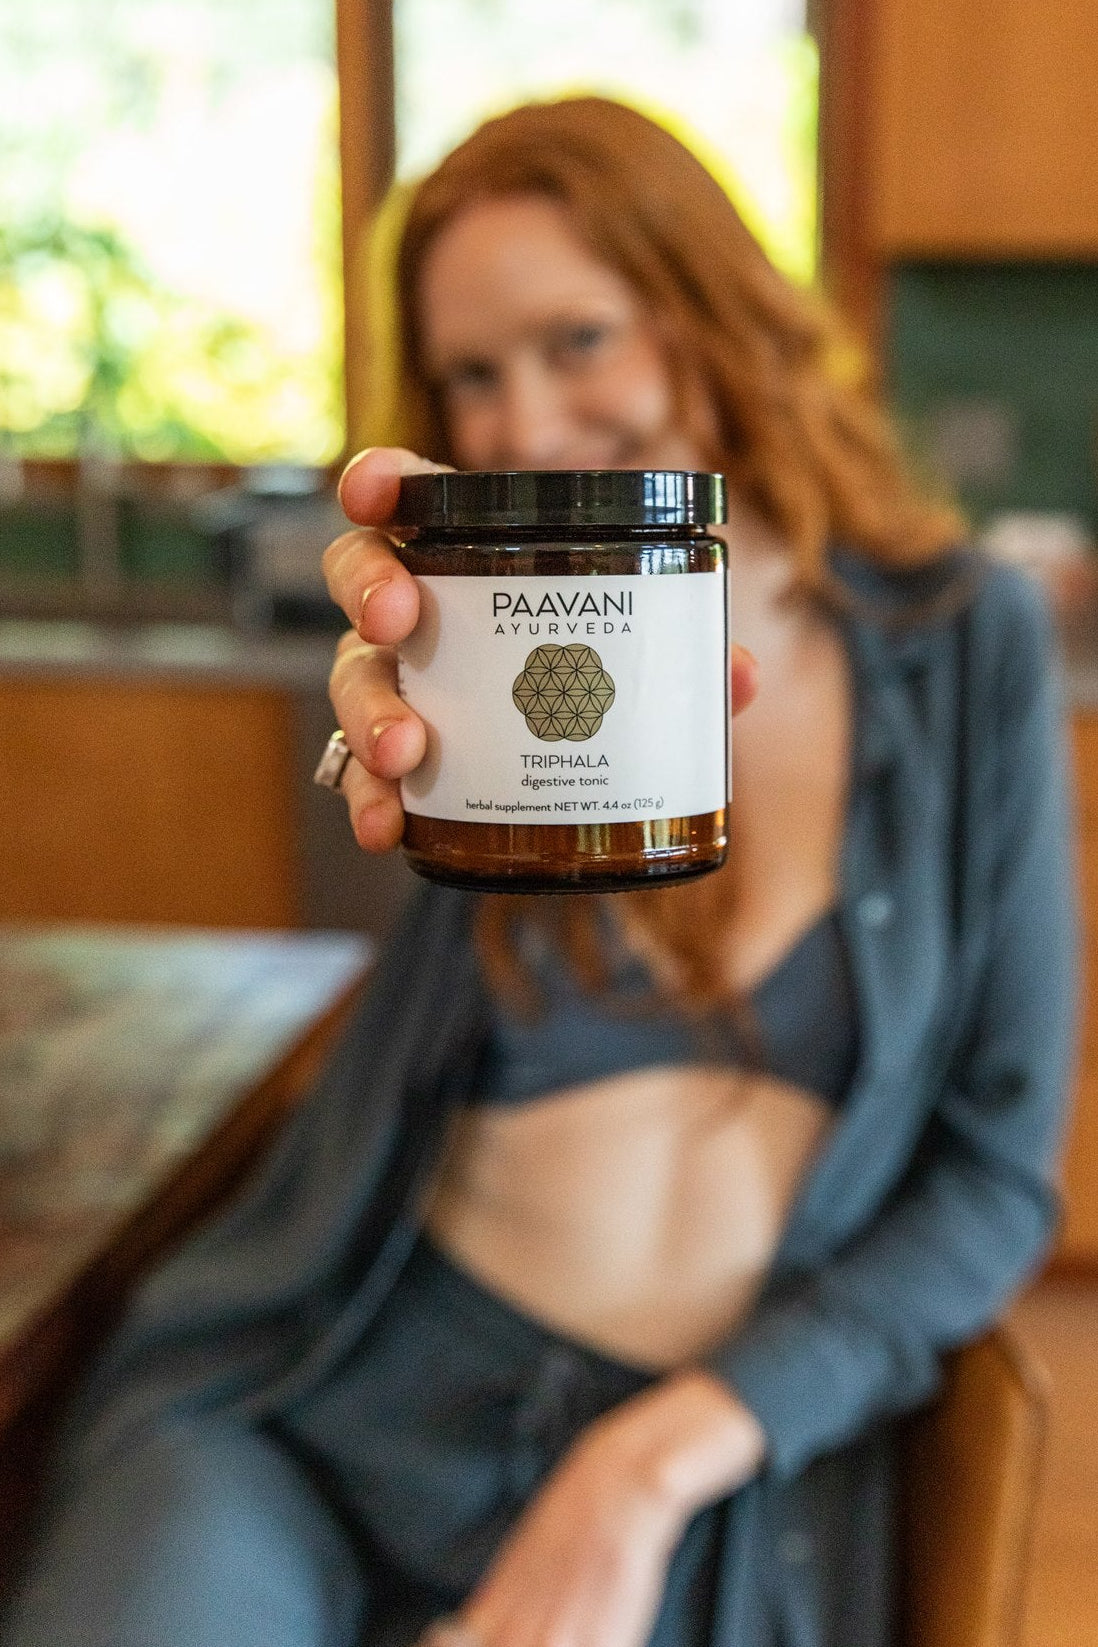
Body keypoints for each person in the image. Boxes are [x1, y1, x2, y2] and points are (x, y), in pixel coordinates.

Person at [3, 97, 1075, 1647]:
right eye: (471, 375)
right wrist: (378, 739)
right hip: (335, 1388)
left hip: (697, 1469)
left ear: (704, 313)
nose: (519, 422)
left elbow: (989, 1184)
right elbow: (383, 860)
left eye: (577, 340)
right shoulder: (475, 643)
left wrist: (644, 1469)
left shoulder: (957, 641)